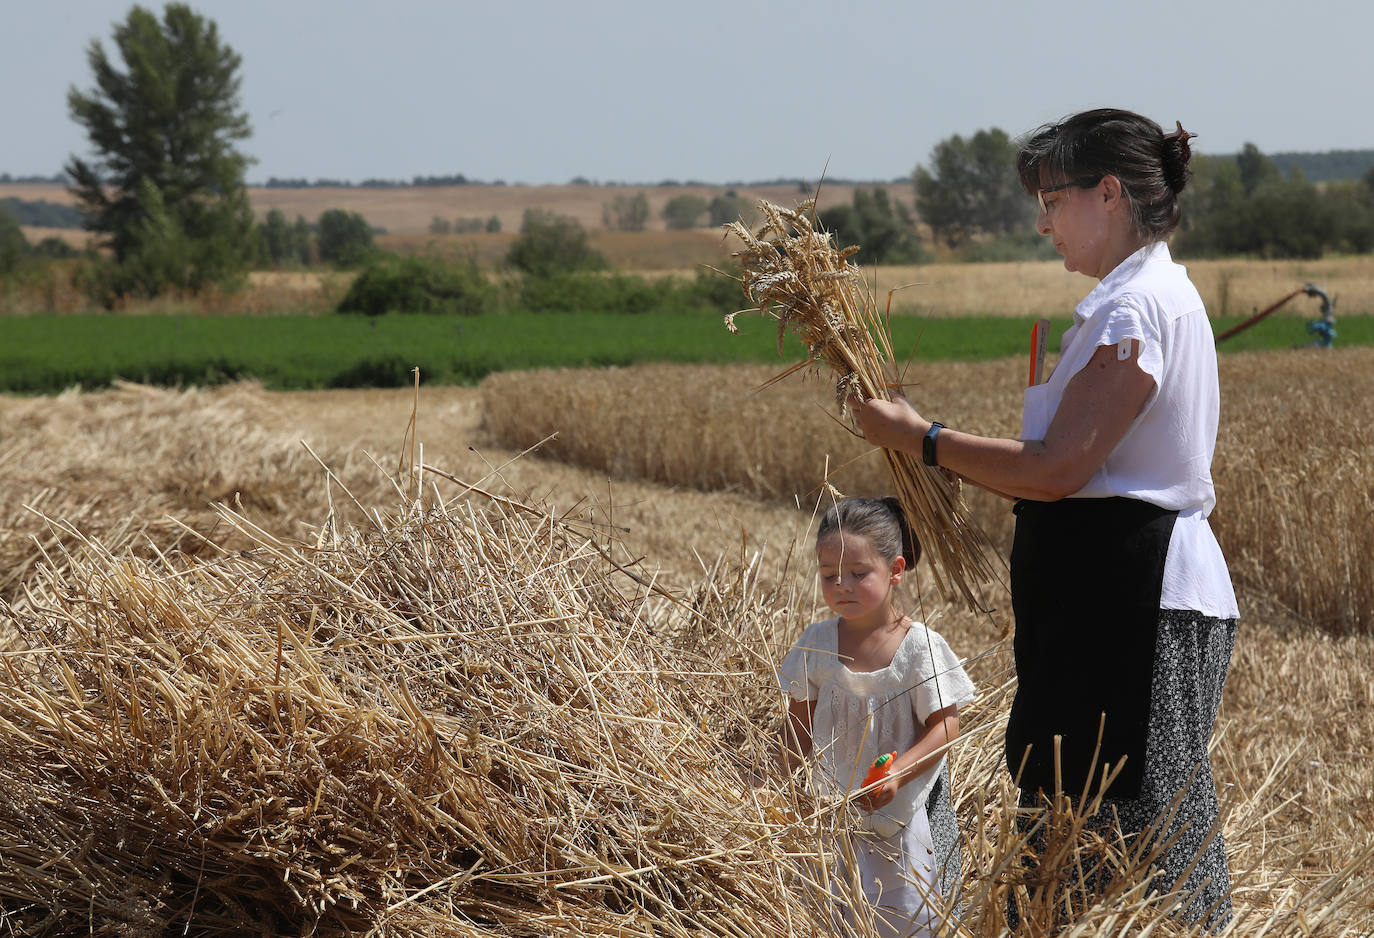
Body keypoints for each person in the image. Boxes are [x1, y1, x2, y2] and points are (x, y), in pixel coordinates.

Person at [850, 108, 1238, 930]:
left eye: (1053, 199)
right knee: (1078, 831)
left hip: (1137, 603)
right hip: (1112, 601)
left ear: (1108, 194)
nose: (1043, 221)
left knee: (1138, 831)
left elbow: (1057, 470)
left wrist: (922, 439)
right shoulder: (1134, 300)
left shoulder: (1134, 310)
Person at [778, 496, 977, 938]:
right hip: (832, 821)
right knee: (831, 919)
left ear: (896, 570)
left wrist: (897, 774)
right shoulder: (816, 643)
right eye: (829, 576)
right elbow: (797, 728)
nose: (842, 585)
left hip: (902, 822)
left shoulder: (919, 649)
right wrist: (777, 791)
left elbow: (945, 726)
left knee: (904, 921)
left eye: (858, 573)